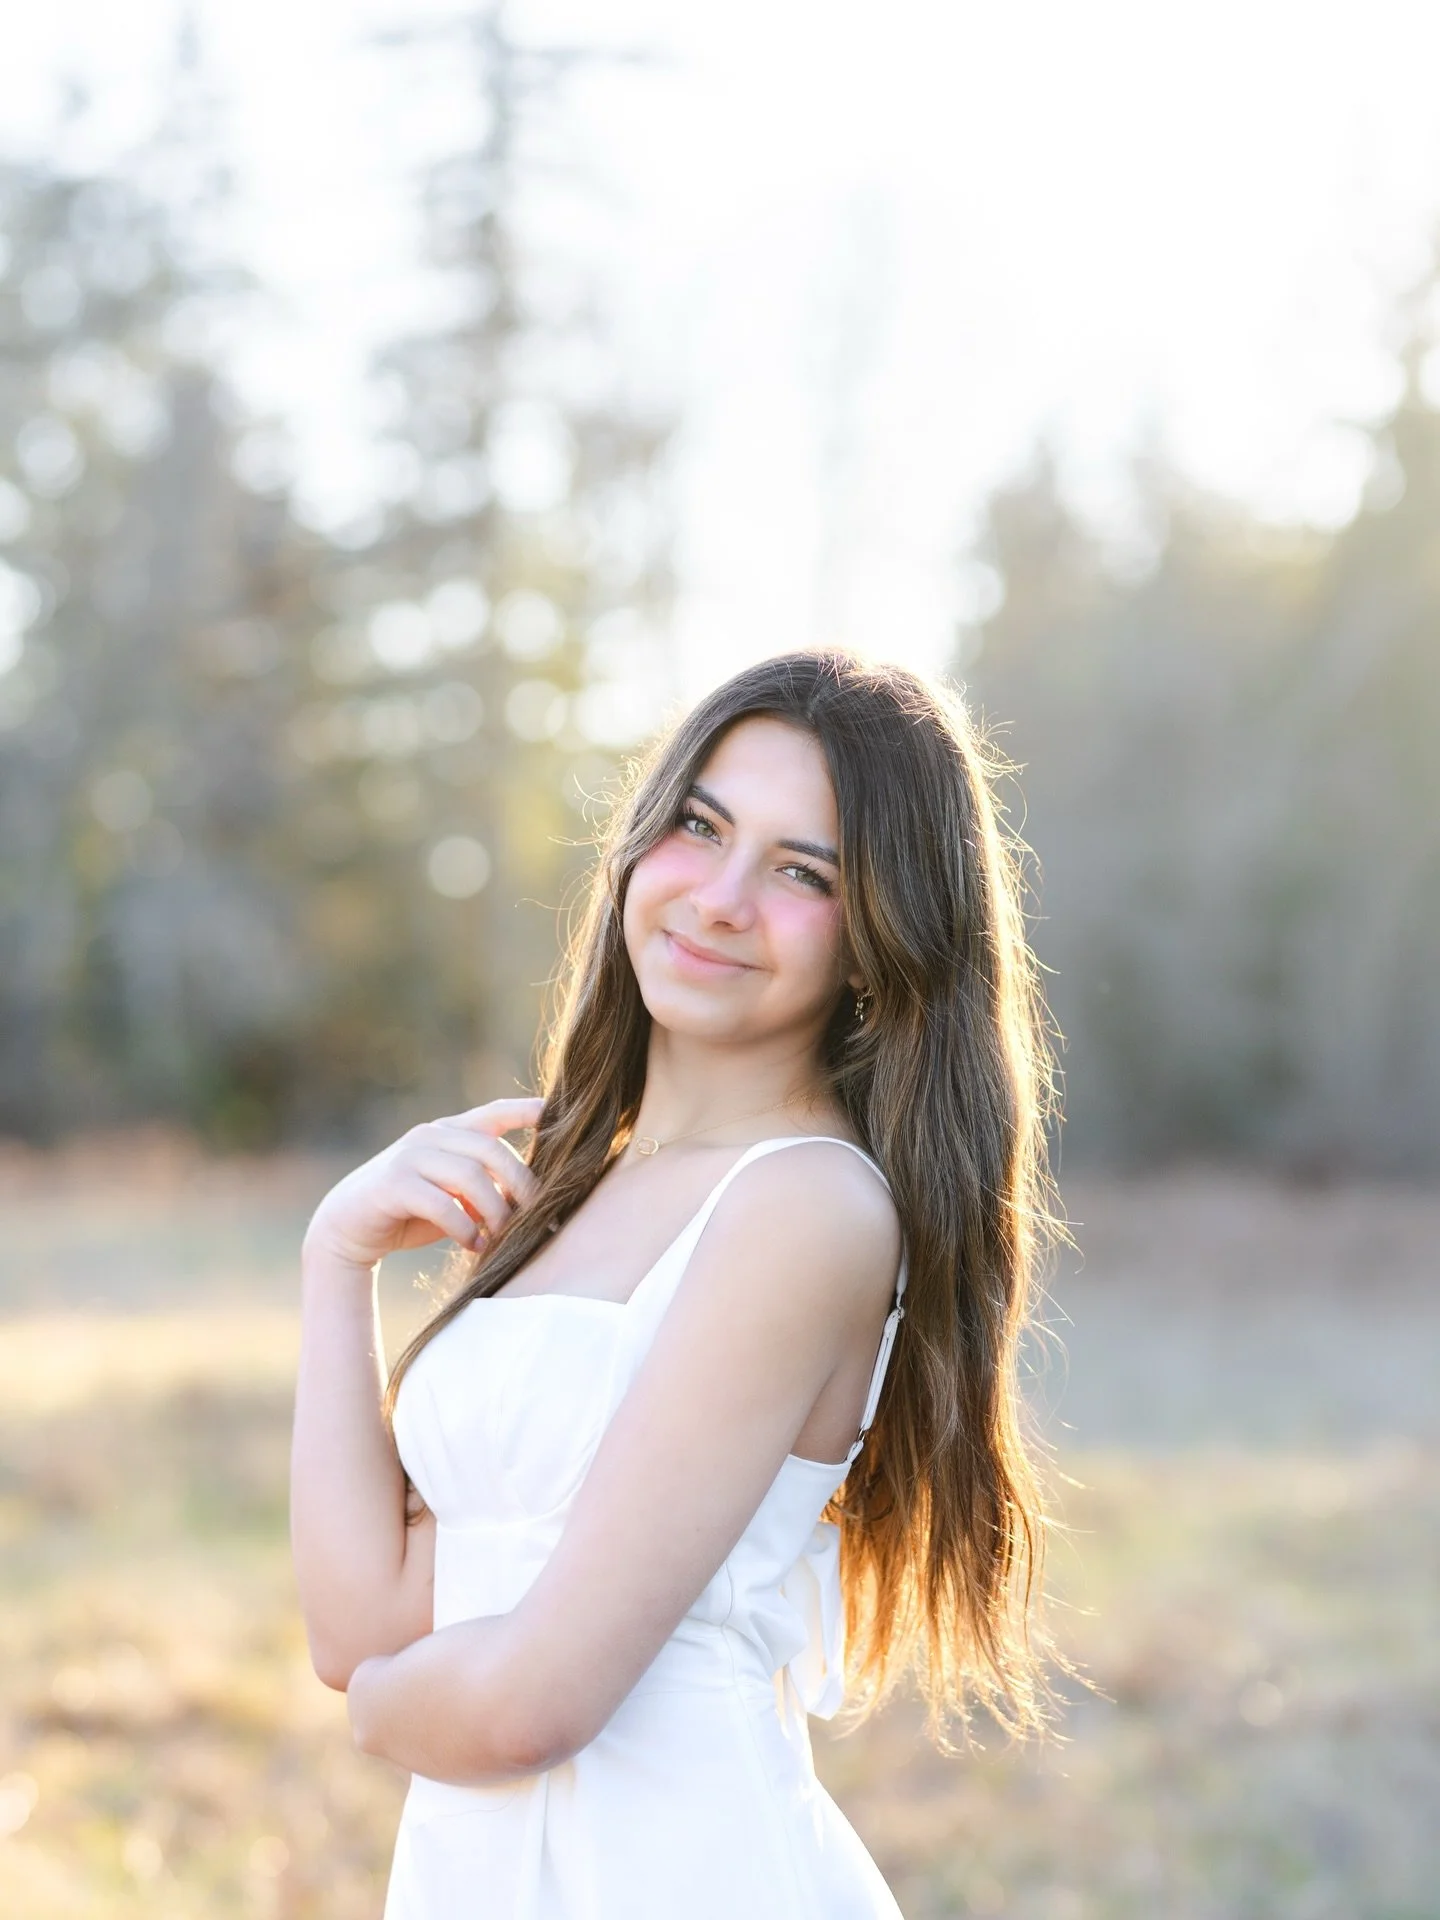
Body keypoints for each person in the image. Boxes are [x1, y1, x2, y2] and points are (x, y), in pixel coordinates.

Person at [289, 648, 1064, 1918]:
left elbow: (529, 1703)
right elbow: (360, 1624)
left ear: (880, 941)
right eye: (700, 827)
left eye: (801, 872)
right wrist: (336, 1260)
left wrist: (385, 1715)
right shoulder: (574, 1188)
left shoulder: (809, 1206)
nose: (718, 897)